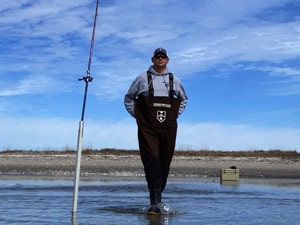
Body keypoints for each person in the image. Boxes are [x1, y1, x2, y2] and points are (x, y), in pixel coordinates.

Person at [124, 47, 188, 214]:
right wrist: (138, 117)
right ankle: (154, 203)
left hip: (169, 128)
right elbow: (129, 98)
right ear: (153, 60)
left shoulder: (175, 80)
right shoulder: (142, 78)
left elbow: (183, 99)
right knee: (152, 162)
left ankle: (159, 199)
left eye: (163, 57)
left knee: (165, 163)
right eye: (157, 57)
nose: (160, 59)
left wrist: (174, 115)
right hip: (148, 129)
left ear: (167, 60)